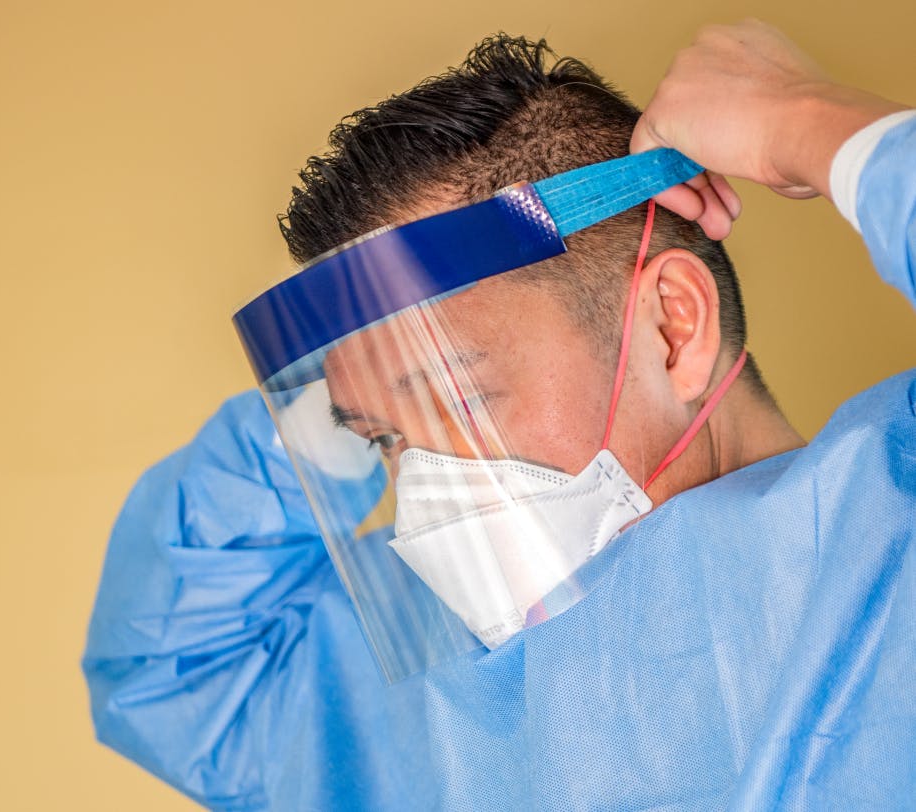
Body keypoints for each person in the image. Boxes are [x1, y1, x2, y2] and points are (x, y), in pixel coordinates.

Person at [83, 20, 916, 811]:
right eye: (384, 443)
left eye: (456, 396)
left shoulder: (884, 541)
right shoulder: (442, 692)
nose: (425, 489)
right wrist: (344, 400)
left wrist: (813, 123)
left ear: (673, 326)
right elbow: (176, 674)